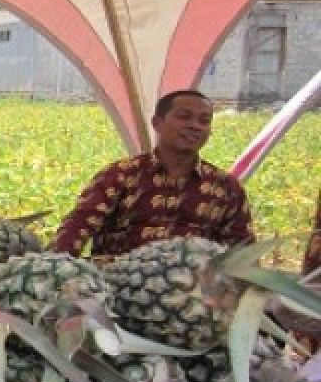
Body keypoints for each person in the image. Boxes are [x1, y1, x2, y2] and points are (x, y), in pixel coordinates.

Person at [52, 89, 254, 258]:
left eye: (204, 121)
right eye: (184, 117)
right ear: (157, 123)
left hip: (194, 294)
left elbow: (242, 254)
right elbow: (76, 228)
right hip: (122, 289)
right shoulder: (120, 175)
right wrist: (57, 270)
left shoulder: (226, 188)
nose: (195, 126)